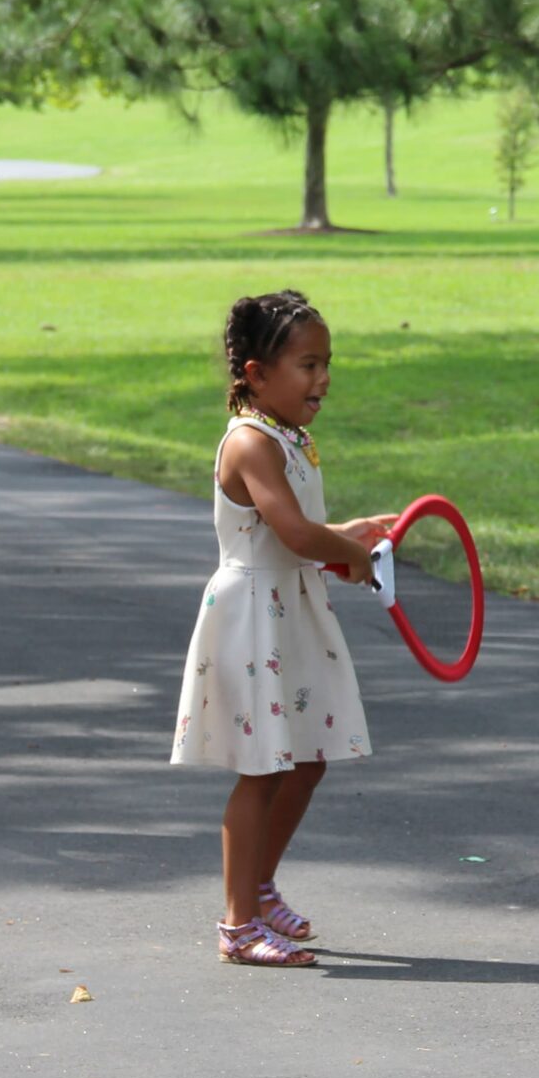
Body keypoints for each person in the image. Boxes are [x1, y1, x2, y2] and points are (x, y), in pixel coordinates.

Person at [172, 291, 395, 967]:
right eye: (308, 365)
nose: (323, 378)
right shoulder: (250, 442)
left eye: (327, 363)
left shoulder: (289, 435)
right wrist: (348, 551)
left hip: (288, 609)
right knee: (262, 769)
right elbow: (295, 534)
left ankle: (259, 888)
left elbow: (290, 531)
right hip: (251, 619)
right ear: (257, 373)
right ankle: (238, 925)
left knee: (306, 758)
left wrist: (346, 538)